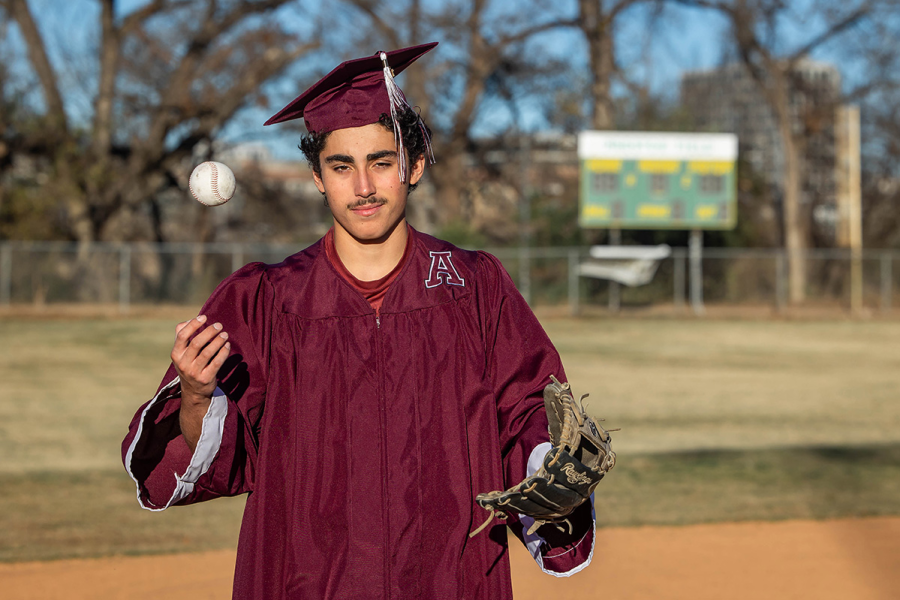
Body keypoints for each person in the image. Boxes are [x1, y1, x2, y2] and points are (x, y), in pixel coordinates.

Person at [122, 42, 596, 600]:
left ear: (413, 165)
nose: (363, 187)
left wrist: (551, 464)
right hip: (305, 579)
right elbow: (220, 460)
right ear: (318, 177)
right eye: (341, 166)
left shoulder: (474, 288)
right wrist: (199, 397)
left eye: (381, 162)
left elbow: (528, 410)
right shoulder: (266, 300)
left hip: (449, 576)